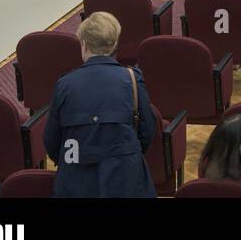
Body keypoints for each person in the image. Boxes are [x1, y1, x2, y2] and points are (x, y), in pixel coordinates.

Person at [43, 12, 157, 197]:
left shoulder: (65, 84)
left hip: (75, 183)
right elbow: (146, 132)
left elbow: (52, 140)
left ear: (84, 44)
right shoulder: (132, 79)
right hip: (125, 180)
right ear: (114, 44)